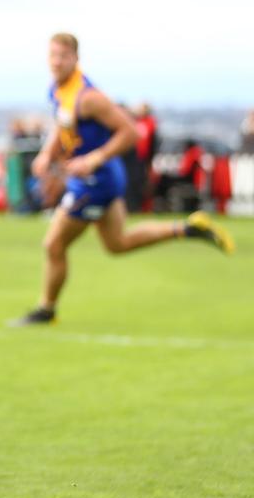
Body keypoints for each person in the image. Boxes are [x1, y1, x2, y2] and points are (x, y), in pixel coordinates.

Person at [12, 34, 236, 326]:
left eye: (63, 56)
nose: (56, 61)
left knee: (53, 245)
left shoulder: (89, 97)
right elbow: (63, 126)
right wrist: (46, 153)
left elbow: (130, 131)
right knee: (118, 243)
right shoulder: (58, 90)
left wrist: (93, 159)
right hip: (98, 178)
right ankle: (188, 228)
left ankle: (47, 309)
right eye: (52, 55)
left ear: (75, 59)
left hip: (96, 181)